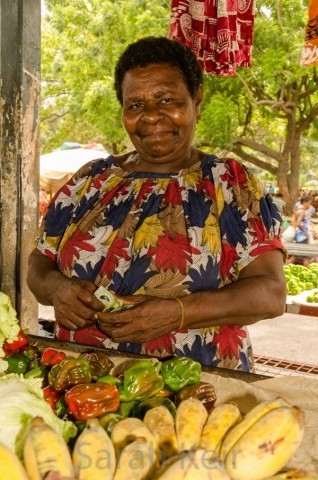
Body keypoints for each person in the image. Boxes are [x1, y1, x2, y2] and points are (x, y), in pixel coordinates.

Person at [27, 37, 286, 372]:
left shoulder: (229, 184)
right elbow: (38, 264)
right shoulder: (89, 180)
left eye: (167, 100)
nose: (151, 117)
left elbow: (271, 293)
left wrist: (177, 313)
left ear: (197, 100)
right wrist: (57, 289)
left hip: (197, 389)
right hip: (84, 385)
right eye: (135, 105)